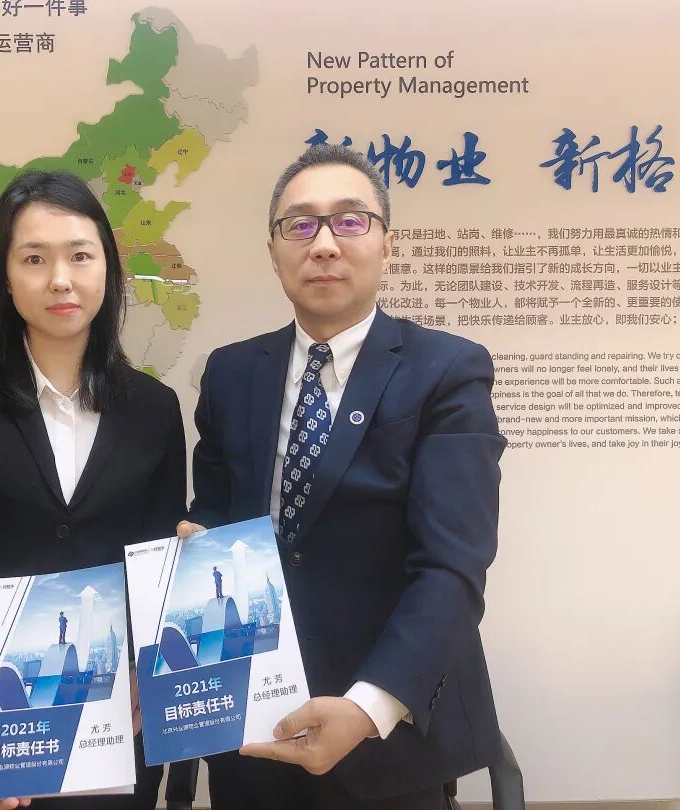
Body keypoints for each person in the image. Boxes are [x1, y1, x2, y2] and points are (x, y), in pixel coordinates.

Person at [178, 144, 506, 810]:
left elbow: (452, 566)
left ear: (387, 244)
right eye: (300, 225)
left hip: (387, 731)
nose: (323, 243)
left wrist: (366, 707)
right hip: (252, 722)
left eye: (350, 221)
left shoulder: (447, 371)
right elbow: (213, 509)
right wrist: (198, 545)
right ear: (274, 252)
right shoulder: (231, 372)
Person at [0, 170, 186, 810]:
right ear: (3, 276)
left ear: (108, 269)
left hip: (114, 729)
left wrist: (145, 669)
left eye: (80, 255)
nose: (60, 279)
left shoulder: (155, 409)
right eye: (33, 259)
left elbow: (156, 566)